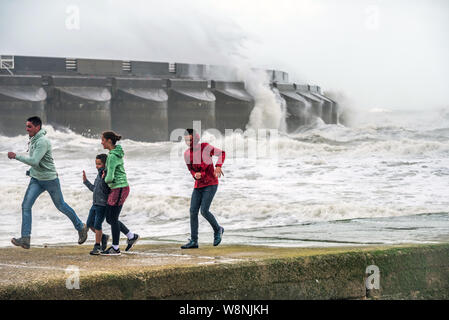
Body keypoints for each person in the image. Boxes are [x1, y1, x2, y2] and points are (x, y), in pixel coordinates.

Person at [7, 116, 88, 249]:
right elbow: (35, 163)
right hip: (36, 180)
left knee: (61, 205)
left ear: (37, 127)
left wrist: (16, 156)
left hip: (50, 179)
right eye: (26, 126)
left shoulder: (43, 141)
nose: (27, 129)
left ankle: (81, 227)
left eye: (29, 127)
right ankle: (25, 239)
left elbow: (34, 161)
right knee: (26, 206)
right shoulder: (34, 139)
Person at [181, 128, 225, 249]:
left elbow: (222, 153)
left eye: (190, 140)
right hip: (198, 185)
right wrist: (194, 175)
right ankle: (194, 241)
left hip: (211, 183)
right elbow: (191, 170)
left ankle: (218, 230)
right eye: (186, 141)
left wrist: (218, 166)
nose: (189, 143)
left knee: (204, 211)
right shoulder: (186, 154)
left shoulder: (205, 147)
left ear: (196, 138)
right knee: (193, 211)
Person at [100, 131, 139, 256]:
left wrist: (104, 177)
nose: (101, 142)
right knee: (110, 218)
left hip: (119, 188)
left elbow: (110, 178)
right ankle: (131, 236)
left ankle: (115, 248)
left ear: (109, 141)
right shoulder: (115, 153)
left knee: (112, 218)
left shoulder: (111, 156)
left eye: (103, 140)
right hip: (120, 188)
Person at [83, 154, 111, 255]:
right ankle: (103, 237)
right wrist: (85, 181)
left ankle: (97, 246)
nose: (97, 166)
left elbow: (106, 190)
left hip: (102, 205)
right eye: (96, 164)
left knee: (97, 225)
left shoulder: (106, 175)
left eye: (99, 164)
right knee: (89, 223)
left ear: (105, 164)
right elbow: (94, 189)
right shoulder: (99, 175)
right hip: (95, 204)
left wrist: (103, 177)